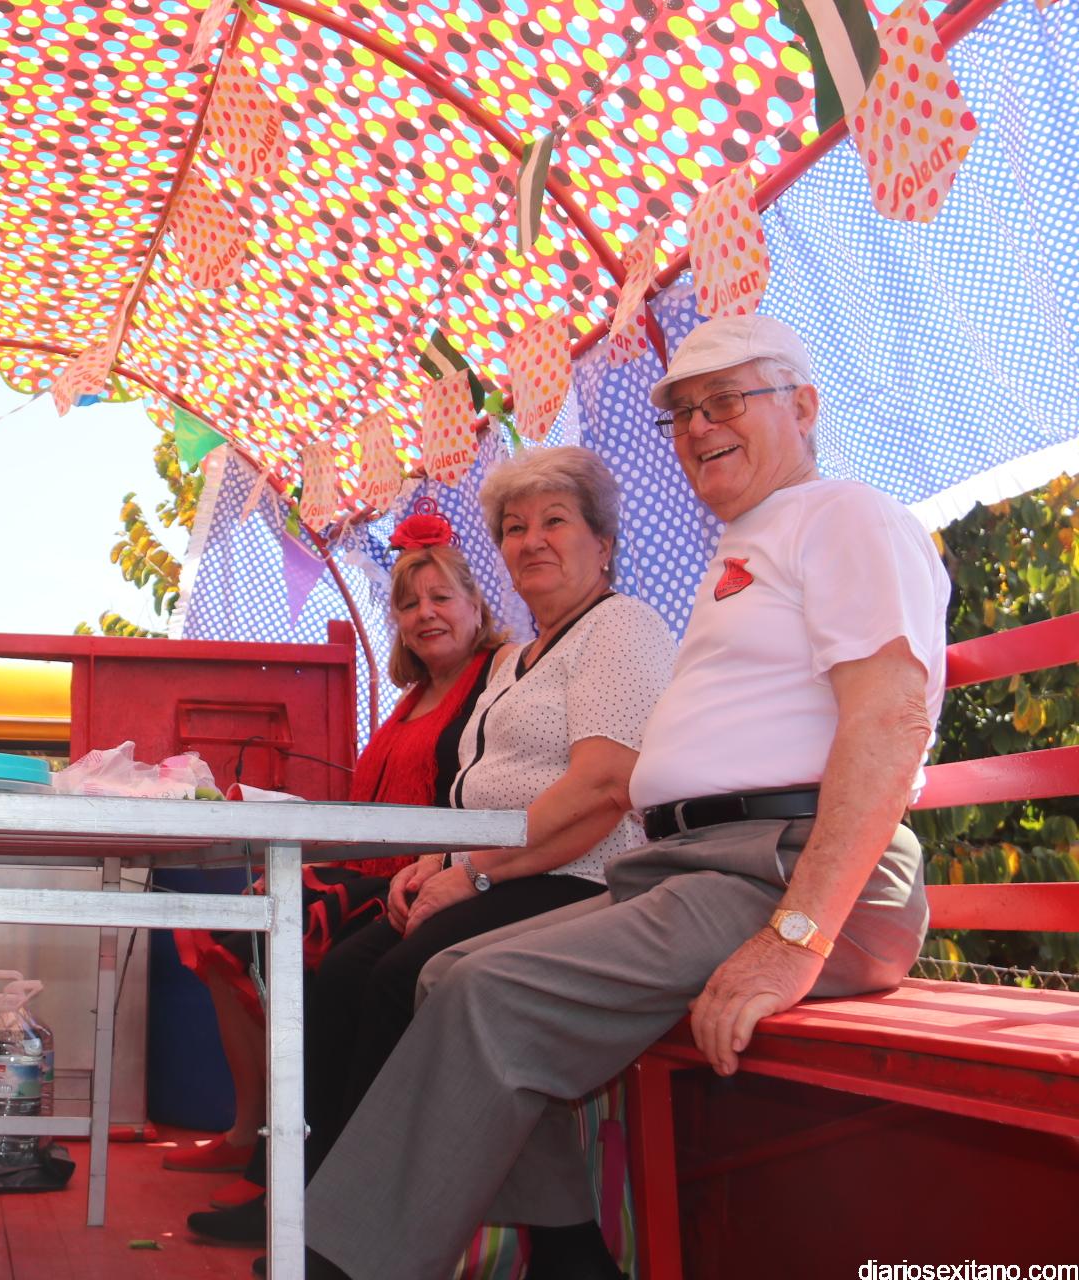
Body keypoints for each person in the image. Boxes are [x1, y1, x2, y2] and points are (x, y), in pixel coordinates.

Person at [297, 314, 950, 1280]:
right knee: (446, 973)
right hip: (690, 872)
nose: (699, 426)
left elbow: (891, 719)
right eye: (682, 412)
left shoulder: (844, 516)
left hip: (785, 872)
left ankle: (339, 1267)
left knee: (482, 992)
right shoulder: (741, 552)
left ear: (805, 407)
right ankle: (571, 1256)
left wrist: (796, 937)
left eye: (726, 400)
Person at [186, 449, 675, 1247]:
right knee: (344, 973)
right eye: (514, 528)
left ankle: (359, 1234)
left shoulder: (622, 627)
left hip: (580, 876)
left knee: (399, 979)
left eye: (555, 522)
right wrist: (437, 863)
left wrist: (470, 874)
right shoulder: (520, 663)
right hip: (499, 868)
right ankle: (306, 1197)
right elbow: (471, 793)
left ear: (603, 543)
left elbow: (602, 790)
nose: (531, 540)